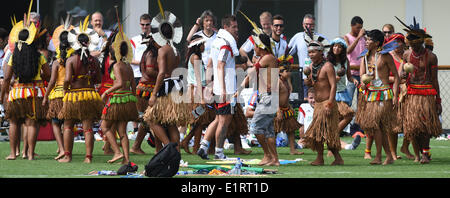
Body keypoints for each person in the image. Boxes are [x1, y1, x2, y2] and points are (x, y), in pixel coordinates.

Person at [1, 12, 51, 160]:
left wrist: (2, 94)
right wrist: (41, 77)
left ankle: (12, 153)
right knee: (30, 123)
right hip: (34, 92)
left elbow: (7, 77)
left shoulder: (14, 55)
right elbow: (47, 74)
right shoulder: (39, 55)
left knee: (14, 122)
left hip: (17, 92)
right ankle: (29, 154)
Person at [396, 16, 441, 164]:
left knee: (425, 125)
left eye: (416, 45)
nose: (413, 48)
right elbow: (402, 74)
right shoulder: (406, 54)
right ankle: (418, 154)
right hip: (411, 93)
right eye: (411, 45)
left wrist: (438, 101)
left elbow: (434, 80)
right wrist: (403, 74)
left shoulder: (431, 57)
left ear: (421, 42)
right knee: (412, 127)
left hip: (426, 93)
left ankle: (425, 153)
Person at [58, 16, 103, 163]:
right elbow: (98, 80)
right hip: (90, 95)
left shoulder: (71, 60)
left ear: (75, 43)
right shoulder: (94, 60)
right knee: (87, 127)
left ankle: (67, 156)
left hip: (73, 96)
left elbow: (67, 80)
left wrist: (65, 92)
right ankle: (88, 157)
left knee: (68, 126)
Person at [143, 8, 188, 150]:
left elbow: (162, 73)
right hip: (176, 85)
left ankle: (168, 147)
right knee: (170, 122)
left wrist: (154, 94)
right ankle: (176, 152)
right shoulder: (175, 50)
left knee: (150, 119)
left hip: (166, 86)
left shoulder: (163, 50)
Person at [196, 14, 239, 160]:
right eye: (234, 27)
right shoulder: (226, 44)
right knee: (224, 122)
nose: (236, 29)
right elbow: (220, 65)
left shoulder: (216, 41)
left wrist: (208, 85)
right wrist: (224, 89)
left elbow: (210, 64)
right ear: (225, 27)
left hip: (218, 88)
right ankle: (219, 153)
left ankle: (204, 145)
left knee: (218, 119)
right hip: (226, 89)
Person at [358, 29, 399, 165]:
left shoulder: (386, 56)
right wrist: (364, 83)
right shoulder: (365, 56)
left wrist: (395, 95)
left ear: (376, 43)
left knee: (377, 125)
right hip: (371, 93)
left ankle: (379, 156)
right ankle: (386, 156)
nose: (366, 42)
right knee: (378, 127)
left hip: (384, 93)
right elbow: (362, 76)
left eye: (369, 40)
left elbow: (397, 76)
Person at [303, 33, 343, 166]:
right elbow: (312, 85)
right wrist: (308, 80)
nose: (311, 54)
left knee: (328, 132)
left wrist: (330, 103)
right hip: (318, 104)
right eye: (309, 52)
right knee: (319, 133)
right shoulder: (313, 67)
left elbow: (333, 86)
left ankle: (337, 158)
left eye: (314, 52)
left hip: (327, 103)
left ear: (321, 53)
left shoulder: (328, 66)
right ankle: (321, 158)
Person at [100, 25, 139, 164]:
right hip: (128, 99)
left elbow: (120, 83)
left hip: (117, 99)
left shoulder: (117, 66)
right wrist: (133, 102)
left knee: (105, 127)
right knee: (122, 132)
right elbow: (133, 85)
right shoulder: (128, 65)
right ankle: (127, 159)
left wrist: (106, 92)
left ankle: (117, 152)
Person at [43, 17, 74, 160]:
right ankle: (67, 151)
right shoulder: (75, 58)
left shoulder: (57, 62)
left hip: (57, 95)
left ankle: (62, 149)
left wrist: (45, 97)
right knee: (68, 124)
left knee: (56, 123)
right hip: (71, 94)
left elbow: (52, 81)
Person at [386, 33, 414, 160]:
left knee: (411, 122)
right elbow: (383, 76)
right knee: (393, 125)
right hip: (393, 92)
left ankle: (405, 147)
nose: (397, 45)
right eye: (394, 42)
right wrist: (396, 79)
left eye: (399, 42)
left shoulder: (408, 56)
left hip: (407, 92)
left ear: (404, 43)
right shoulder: (387, 57)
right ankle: (392, 152)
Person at [288, 14, 327, 101]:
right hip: (303, 76)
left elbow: (328, 54)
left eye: (311, 24)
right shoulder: (297, 37)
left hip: (318, 76)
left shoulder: (320, 38)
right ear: (303, 25)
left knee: (318, 100)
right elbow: (288, 53)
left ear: (314, 25)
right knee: (304, 100)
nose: (309, 27)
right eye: (307, 24)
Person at [129, 14, 151, 137]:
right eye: (143, 24)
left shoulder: (155, 39)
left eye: (147, 24)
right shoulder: (134, 39)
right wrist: (143, 63)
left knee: (148, 102)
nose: (145, 27)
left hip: (150, 75)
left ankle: (147, 128)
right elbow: (129, 58)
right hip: (137, 74)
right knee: (136, 103)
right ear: (140, 25)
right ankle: (136, 130)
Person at [274, 64, 303, 155]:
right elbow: (274, 97)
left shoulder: (286, 82)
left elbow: (287, 96)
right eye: (287, 71)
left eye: (290, 71)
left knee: (291, 130)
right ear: (280, 73)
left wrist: (290, 107)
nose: (289, 73)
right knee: (275, 130)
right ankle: (272, 151)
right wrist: (278, 111)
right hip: (278, 109)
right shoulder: (277, 82)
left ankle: (292, 150)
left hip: (287, 108)